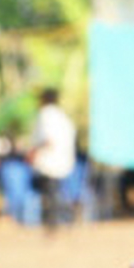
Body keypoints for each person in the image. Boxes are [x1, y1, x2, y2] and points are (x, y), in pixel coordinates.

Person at [28, 88, 79, 230]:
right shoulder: (63, 116)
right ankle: (63, 219)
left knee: (51, 194)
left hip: (49, 161)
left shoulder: (46, 115)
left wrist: (33, 152)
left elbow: (48, 139)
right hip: (63, 160)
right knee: (55, 192)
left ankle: (53, 223)